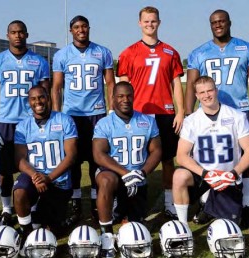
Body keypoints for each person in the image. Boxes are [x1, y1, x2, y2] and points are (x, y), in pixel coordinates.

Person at [185, 9, 249, 227]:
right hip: (207, 114)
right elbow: (191, 85)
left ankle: (247, 205)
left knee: (245, 161)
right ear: (210, 25)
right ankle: (206, 204)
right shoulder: (199, 52)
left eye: (222, 21)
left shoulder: (248, 48)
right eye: (214, 22)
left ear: (229, 22)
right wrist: (187, 114)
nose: (218, 25)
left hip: (239, 111)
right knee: (205, 159)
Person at [117, 6, 185, 220]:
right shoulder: (128, 53)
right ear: (140, 23)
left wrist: (181, 112)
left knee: (167, 160)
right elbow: (123, 87)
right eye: (146, 21)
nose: (150, 24)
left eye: (153, 21)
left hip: (165, 113)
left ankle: (169, 203)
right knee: (132, 160)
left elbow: (176, 84)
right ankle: (129, 203)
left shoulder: (171, 52)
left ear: (159, 22)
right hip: (138, 114)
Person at [51, 15, 116, 224]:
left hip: (96, 114)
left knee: (97, 159)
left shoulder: (102, 52)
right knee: (74, 162)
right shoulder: (62, 54)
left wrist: (111, 110)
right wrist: (57, 113)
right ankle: (76, 202)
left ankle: (98, 202)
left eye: (84, 26)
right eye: (77, 27)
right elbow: (57, 86)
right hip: (72, 115)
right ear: (71, 30)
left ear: (89, 28)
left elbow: (110, 83)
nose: (81, 30)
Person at [0, 20, 50, 226]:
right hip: (5, 121)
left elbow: (45, 94)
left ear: (27, 34)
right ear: (8, 35)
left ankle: (32, 203)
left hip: (31, 122)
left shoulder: (39, 61)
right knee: (4, 170)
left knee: (32, 165)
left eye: (21, 32)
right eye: (13, 32)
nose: (17, 36)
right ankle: (6, 208)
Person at [173, 76, 249, 226]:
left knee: (232, 223)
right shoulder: (191, 121)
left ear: (216, 91)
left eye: (210, 90)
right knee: (179, 176)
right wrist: (206, 174)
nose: (206, 95)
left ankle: (209, 203)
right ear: (197, 95)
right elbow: (181, 156)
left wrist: (233, 174)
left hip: (228, 176)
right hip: (204, 175)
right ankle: (183, 226)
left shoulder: (237, 116)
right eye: (202, 92)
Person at [92, 81, 162, 258]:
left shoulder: (147, 121)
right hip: (114, 178)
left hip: (138, 180)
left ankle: (125, 215)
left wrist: (142, 172)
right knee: (107, 180)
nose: (125, 99)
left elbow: (156, 150)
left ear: (133, 96)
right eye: (120, 96)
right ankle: (107, 236)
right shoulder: (104, 123)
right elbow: (99, 155)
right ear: (113, 98)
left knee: (134, 224)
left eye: (129, 95)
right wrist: (126, 173)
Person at [13, 86, 77, 242]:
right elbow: (19, 159)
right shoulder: (23, 126)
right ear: (29, 102)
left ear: (48, 98)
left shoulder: (64, 120)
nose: (38, 102)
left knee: (52, 231)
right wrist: (36, 176)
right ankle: (26, 232)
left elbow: (71, 156)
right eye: (33, 99)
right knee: (19, 193)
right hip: (34, 177)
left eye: (41, 97)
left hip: (58, 181)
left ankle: (49, 213)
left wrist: (48, 178)